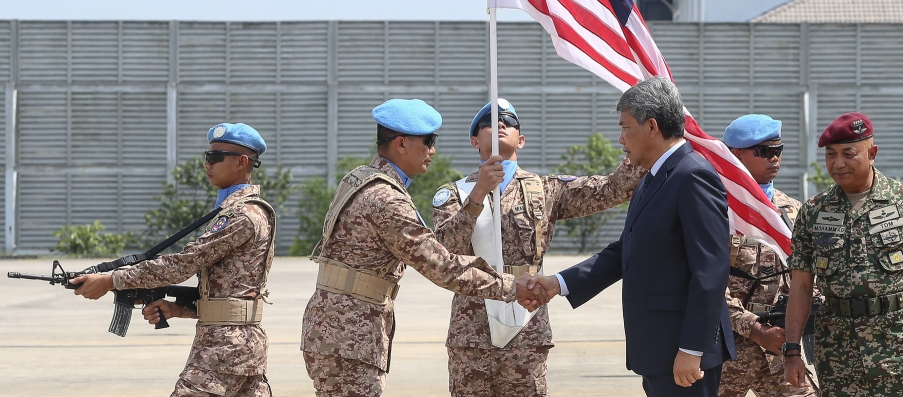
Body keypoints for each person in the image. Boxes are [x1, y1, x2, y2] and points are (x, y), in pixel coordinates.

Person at [300, 98, 549, 397]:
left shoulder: (359, 178)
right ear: (401, 144)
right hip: (350, 334)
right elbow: (442, 267)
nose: (432, 150)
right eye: (429, 141)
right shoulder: (387, 200)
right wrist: (512, 286)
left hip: (336, 329)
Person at [532, 77, 735, 397]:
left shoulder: (692, 175)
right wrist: (560, 282)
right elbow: (627, 250)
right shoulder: (654, 176)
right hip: (658, 349)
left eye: (626, 128)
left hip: (681, 352)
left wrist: (692, 349)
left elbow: (710, 271)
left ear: (651, 126)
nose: (620, 138)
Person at [432, 98, 645, 397]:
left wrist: (643, 148)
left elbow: (612, 190)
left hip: (526, 323)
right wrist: (478, 193)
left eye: (509, 124)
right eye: (489, 124)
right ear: (474, 141)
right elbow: (442, 251)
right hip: (472, 329)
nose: (500, 125)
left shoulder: (546, 190)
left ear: (521, 140)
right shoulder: (454, 194)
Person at [72, 123, 277, 397]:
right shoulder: (237, 211)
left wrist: (110, 280)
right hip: (237, 343)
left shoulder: (241, 216)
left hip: (224, 348)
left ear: (242, 162)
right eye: (207, 156)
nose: (207, 164)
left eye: (215, 157)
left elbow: (183, 264)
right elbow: (233, 292)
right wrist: (179, 309)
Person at [783, 112, 903, 397]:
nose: (838, 163)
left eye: (849, 153)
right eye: (831, 155)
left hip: (899, 344)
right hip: (836, 349)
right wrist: (792, 350)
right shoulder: (813, 211)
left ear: (872, 153)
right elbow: (801, 285)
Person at [718, 115, 817, 397]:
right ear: (736, 155)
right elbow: (703, 281)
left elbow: (805, 276)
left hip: (779, 346)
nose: (774, 158)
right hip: (725, 346)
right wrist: (754, 328)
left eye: (778, 150)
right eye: (764, 152)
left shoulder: (792, 210)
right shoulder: (715, 208)